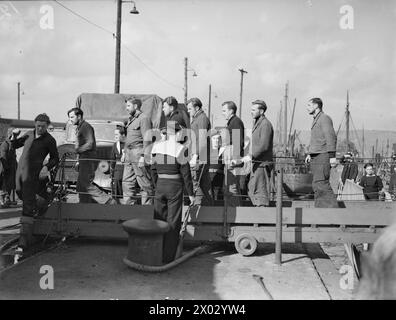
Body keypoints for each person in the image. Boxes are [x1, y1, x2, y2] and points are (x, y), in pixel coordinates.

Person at [12, 114, 59, 248]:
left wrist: (46, 167)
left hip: (33, 175)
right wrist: (15, 136)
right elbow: (15, 145)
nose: (39, 128)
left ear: (47, 126)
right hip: (20, 173)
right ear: (34, 124)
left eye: (43, 126)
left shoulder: (50, 140)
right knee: (21, 195)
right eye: (38, 125)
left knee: (28, 203)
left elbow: (55, 158)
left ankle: (24, 239)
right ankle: (38, 212)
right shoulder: (28, 134)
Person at [151, 119, 195, 263]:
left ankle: (156, 252)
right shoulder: (180, 149)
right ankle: (168, 257)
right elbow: (186, 174)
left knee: (158, 220)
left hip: (160, 186)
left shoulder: (156, 147)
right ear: (176, 133)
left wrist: (156, 185)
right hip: (174, 186)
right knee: (173, 222)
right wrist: (191, 194)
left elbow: (151, 169)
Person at [68, 107, 115, 204]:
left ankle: (108, 201)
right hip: (83, 158)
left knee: (85, 184)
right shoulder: (80, 127)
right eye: (69, 118)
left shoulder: (85, 127)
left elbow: (90, 143)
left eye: (72, 117)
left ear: (79, 116)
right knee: (81, 185)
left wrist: (77, 150)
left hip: (87, 158)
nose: (70, 120)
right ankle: (84, 205)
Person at [304, 98, 338, 208]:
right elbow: (318, 139)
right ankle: (321, 213)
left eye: (309, 105)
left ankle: (334, 213)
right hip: (317, 156)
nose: (307, 107)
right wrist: (310, 153)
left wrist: (332, 156)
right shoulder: (317, 119)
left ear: (316, 106)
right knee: (317, 184)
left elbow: (330, 137)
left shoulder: (324, 118)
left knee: (321, 183)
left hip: (323, 156)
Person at [242, 100, 274, 207]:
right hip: (257, 163)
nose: (251, 112)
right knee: (253, 189)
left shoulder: (265, 124)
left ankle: (262, 217)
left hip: (262, 164)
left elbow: (264, 145)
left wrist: (250, 156)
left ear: (261, 111)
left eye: (253, 110)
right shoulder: (258, 123)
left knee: (259, 191)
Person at [123, 98, 154, 205]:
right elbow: (129, 137)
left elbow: (147, 139)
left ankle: (146, 209)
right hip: (129, 153)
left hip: (138, 152)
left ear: (135, 106)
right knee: (127, 182)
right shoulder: (131, 119)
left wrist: (143, 156)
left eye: (128, 106)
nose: (126, 108)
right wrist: (124, 152)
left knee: (144, 182)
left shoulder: (144, 119)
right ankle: (129, 209)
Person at [186, 97, 214, 206]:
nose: (188, 111)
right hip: (200, 158)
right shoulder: (198, 118)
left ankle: (199, 212)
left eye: (189, 109)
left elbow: (202, 139)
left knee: (195, 185)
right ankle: (210, 211)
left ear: (196, 108)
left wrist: (195, 155)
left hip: (198, 158)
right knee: (205, 186)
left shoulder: (201, 118)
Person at [221, 101, 244, 206]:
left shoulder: (235, 122)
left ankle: (233, 213)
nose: (222, 113)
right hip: (229, 158)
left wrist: (235, 159)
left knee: (231, 187)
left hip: (232, 159)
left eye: (224, 111)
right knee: (231, 186)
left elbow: (237, 141)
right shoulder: (232, 122)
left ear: (231, 111)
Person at [0, 129, 19, 208]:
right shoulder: (5, 144)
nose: (16, 137)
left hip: (11, 168)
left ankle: (7, 200)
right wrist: (6, 168)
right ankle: (2, 201)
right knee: (4, 185)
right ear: (10, 135)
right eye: (14, 135)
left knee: (10, 185)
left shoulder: (12, 144)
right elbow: (3, 156)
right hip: (5, 168)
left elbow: (14, 157)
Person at [110, 127, 126, 200]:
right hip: (117, 169)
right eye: (114, 134)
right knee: (116, 182)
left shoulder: (127, 144)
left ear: (122, 135)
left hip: (126, 168)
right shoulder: (115, 145)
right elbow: (112, 159)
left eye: (117, 134)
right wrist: (112, 171)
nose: (115, 136)